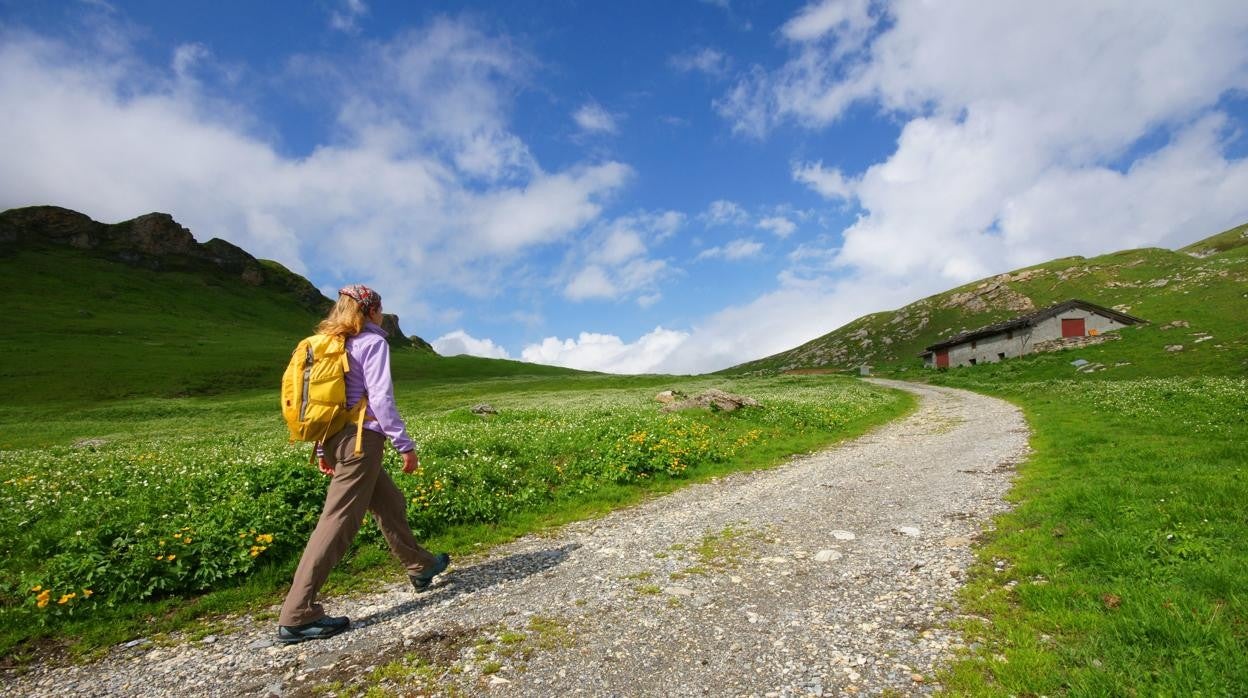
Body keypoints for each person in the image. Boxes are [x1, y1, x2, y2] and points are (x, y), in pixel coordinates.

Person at [277, 284, 450, 644]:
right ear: (370, 310)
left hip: (339, 439)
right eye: (380, 307)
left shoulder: (333, 344)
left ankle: (420, 565)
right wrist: (405, 444)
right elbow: (381, 398)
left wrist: (325, 449)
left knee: (389, 502)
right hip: (362, 441)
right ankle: (298, 614)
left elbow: (328, 402)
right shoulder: (372, 343)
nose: (383, 313)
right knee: (338, 520)